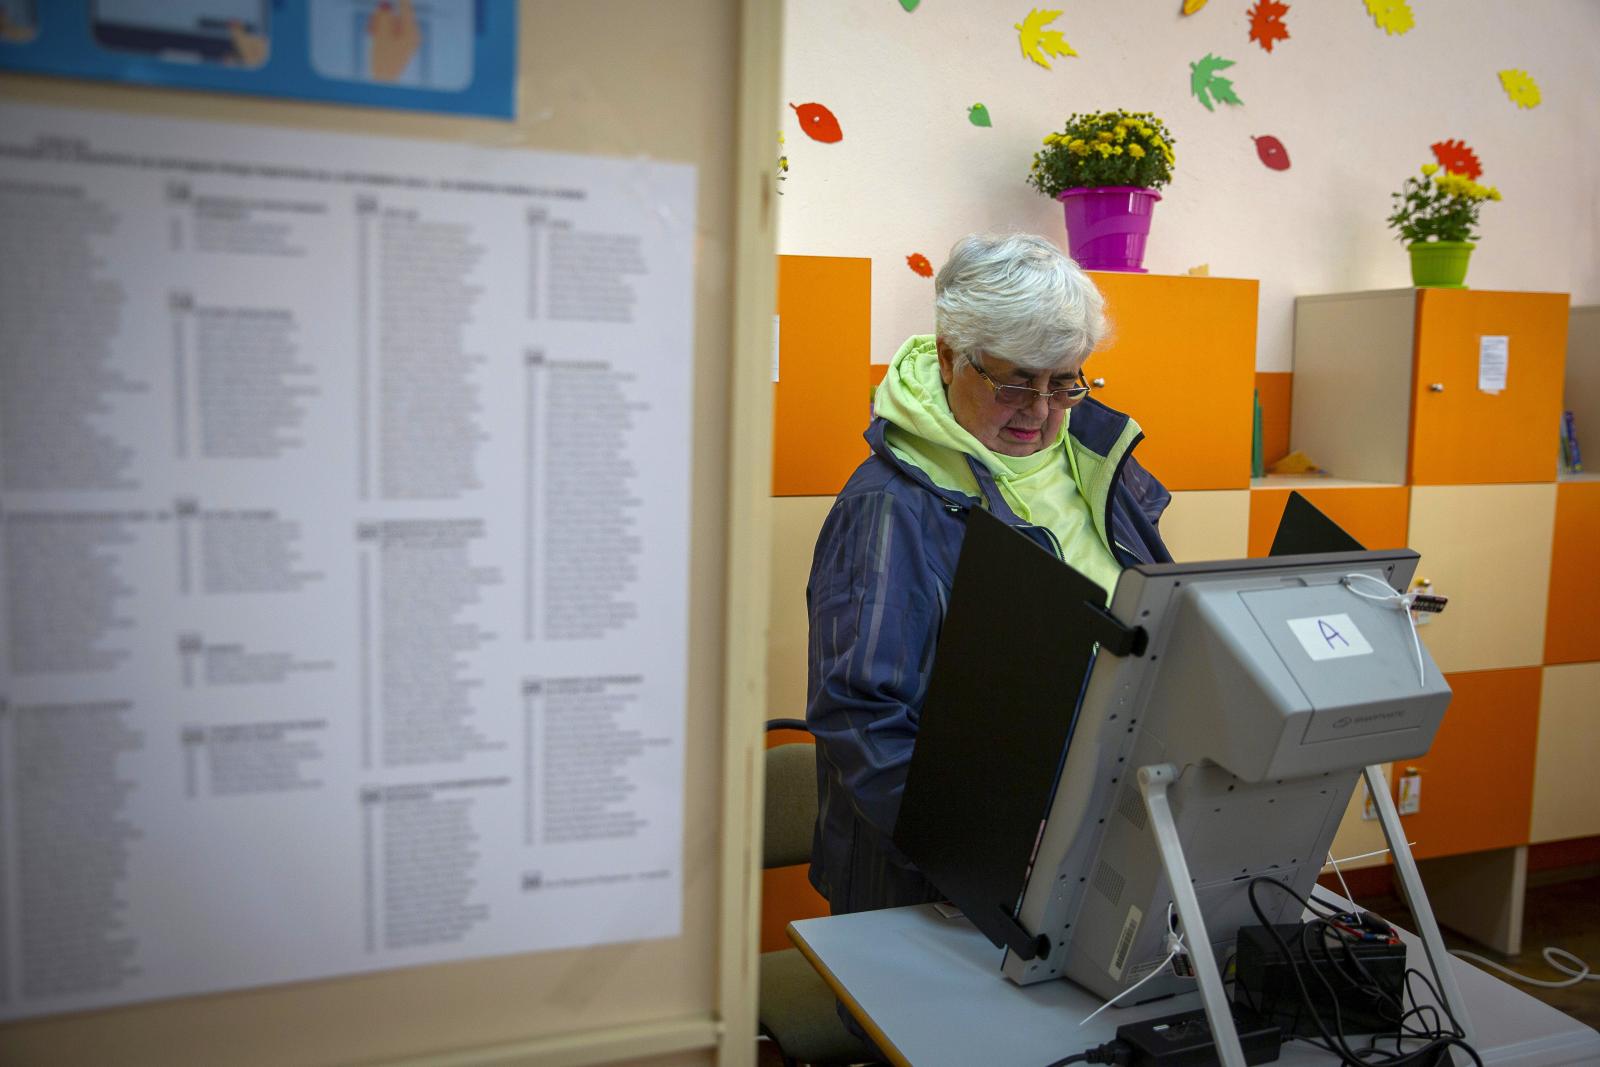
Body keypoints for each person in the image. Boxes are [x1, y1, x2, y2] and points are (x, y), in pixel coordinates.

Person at [806, 232, 1173, 916]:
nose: (1041, 412)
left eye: (1064, 382)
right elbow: (860, 715)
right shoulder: (890, 504)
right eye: (1014, 384)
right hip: (942, 882)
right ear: (949, 357)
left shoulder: (1094, 459)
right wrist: (979, 845)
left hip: (1092, 839)